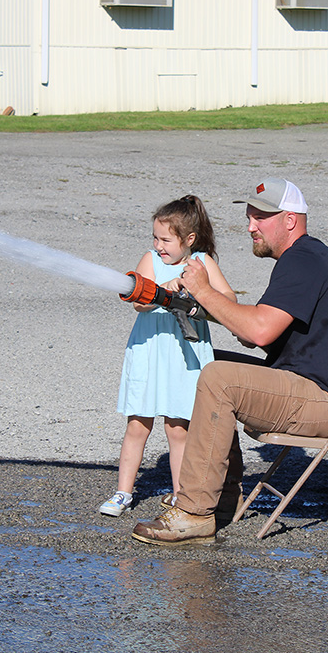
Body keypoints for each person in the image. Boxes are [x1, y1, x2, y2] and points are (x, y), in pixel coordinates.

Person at [132, 177, 328, 545]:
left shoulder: (304, 261)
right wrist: (204, 303)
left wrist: (203, 290)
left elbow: (259, 332)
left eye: (261, 218)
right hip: (306, 386)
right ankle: (222, 497)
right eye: (249, 217)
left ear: (289, 220)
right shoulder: (303, 259)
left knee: (219, 379)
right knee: (204, 362)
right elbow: (254, 330)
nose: (250, 227)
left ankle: (195, 512)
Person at [100, 195, 236, 517]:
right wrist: (165, 287)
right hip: (150, 349)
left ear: (189, 240)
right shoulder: (150, 259)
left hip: (184, 354)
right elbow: (139, 303)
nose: (159, 245)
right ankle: (123, 493)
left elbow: (229, 298)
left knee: (178, 429)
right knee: (137, 424)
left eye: (166, 239)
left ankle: (179, 496)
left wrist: (199, 291)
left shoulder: (201, 263)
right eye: (155, 237)